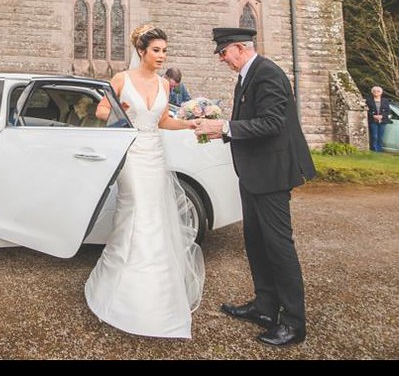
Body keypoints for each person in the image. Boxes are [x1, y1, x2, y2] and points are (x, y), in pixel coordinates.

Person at [194, 27, 316, 347]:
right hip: (253, 173)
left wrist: (223, 126)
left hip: (272, 174)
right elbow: (251, 121)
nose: (222, 59)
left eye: (223, 53)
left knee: (278, 246)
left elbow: (273, 123)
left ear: (239, 47)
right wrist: (224, 130)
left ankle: (293, 322)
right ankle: (265, 307)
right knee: (256, 241)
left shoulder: (267, 74)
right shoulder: (248, 75)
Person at [84, 24, 205, 338]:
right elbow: (99, 111)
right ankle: (122, 289)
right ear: (141, 51)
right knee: (136, 208)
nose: (162, 56)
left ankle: (158, 292)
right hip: (132, 155)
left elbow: (163, 120)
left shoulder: (166, 85)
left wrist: (188, 124)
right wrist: (117, 112)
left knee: (156, 215)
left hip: (155, 153)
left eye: (164, 50)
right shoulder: (121, 79)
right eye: (156, 50)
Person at [366, 86, 392, 153]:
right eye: (374, 91)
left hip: (382, 121)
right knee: (374, 136)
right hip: (373, 120)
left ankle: (379, 150)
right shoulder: (368, 101)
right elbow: (366, 111)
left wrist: (382, 116)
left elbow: (388, 111)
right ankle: (374, 149)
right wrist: (373, 116)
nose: (376, 92)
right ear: (372, 92)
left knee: (380, 136)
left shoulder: (385, 101)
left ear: (381, 93)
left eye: (378, 91)